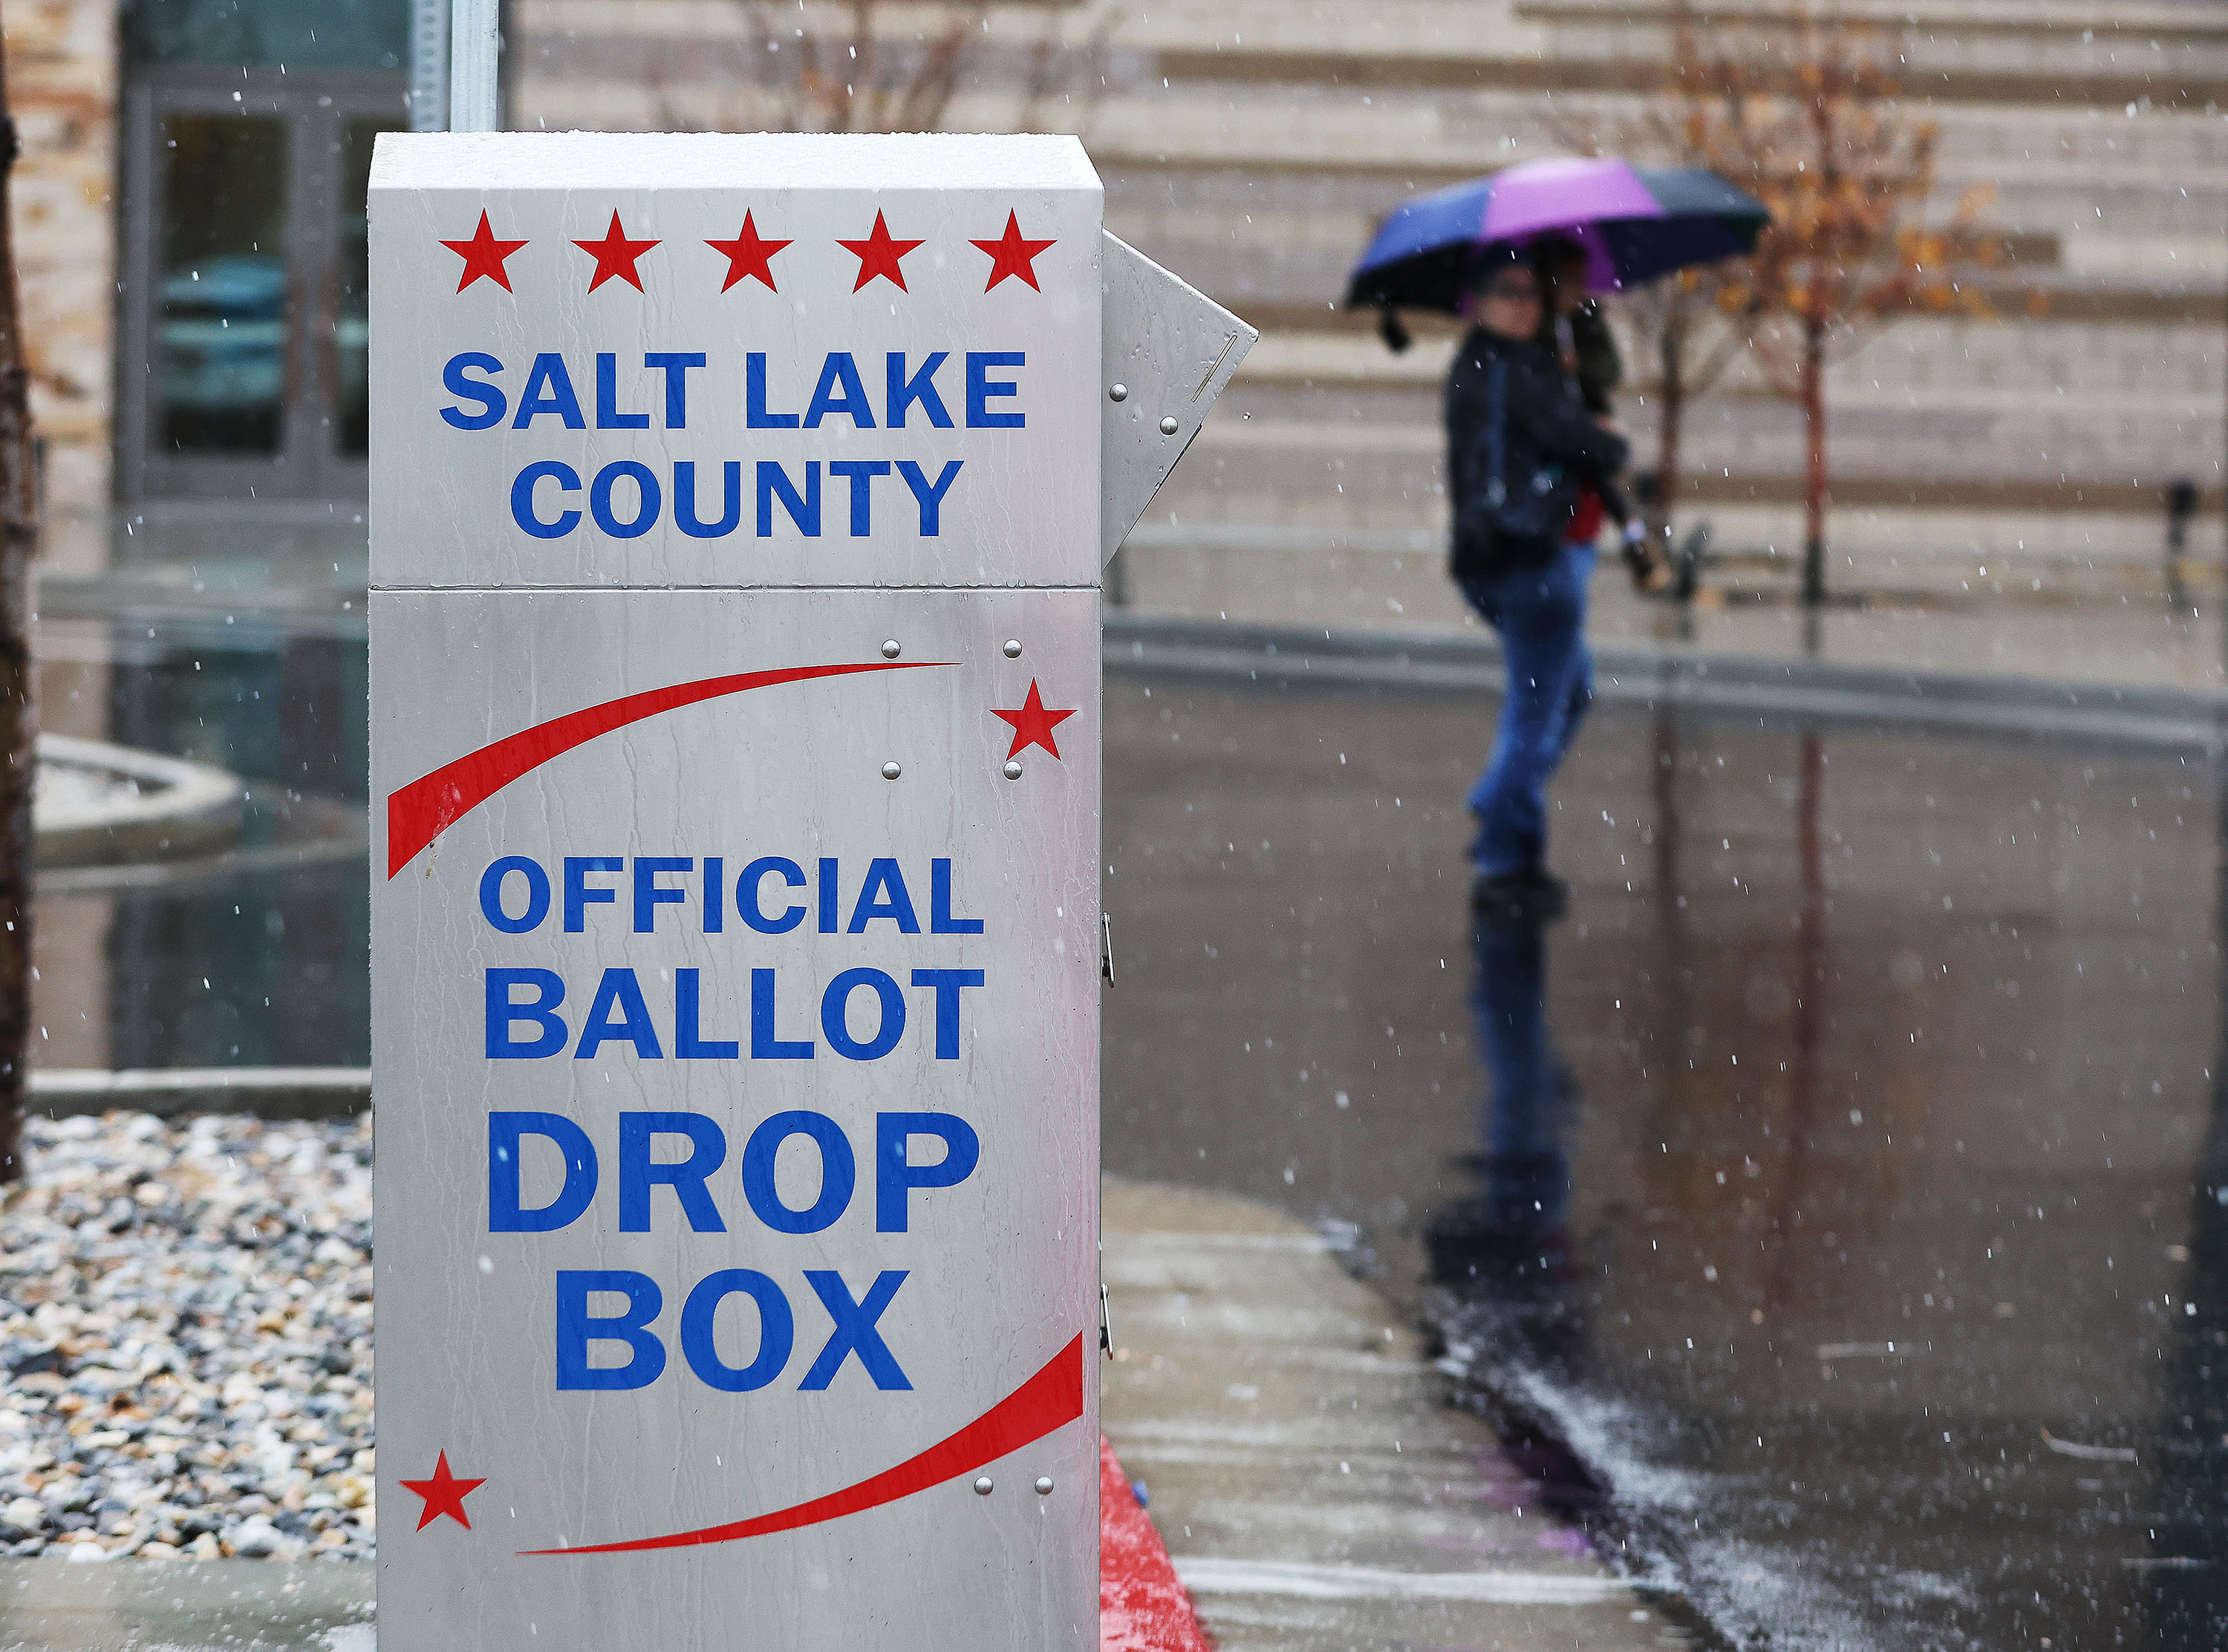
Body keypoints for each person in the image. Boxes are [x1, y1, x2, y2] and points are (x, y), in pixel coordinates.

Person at [1444, 245, 1628, 923]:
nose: (1523, 304)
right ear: (1481, 298)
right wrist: (1604, 437)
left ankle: (1501, 799)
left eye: (1531, 293)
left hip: (1491, 559)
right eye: (1508, 292)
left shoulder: (1476, 363)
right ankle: (1505, 860)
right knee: (1536, 714)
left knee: (1569, 690)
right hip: (1529, 564)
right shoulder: (1515, 370)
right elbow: (1588, 444)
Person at [1531, 235, 1664, 593]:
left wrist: (1580, 367)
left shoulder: (1587, 318)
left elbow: (1610, 371)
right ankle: (1631, 529)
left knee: (1594, 462)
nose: (1577, 290)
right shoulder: (1534, 322)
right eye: (1570, 279)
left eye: (1582, 279)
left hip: (1585, 418)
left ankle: (1631, 532)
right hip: (1553, 435)